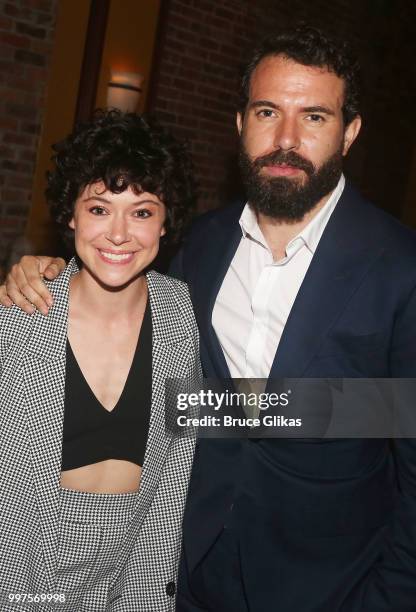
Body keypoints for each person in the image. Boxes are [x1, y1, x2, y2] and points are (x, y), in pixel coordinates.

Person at [2, 24, 416, 612]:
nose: (287, 138)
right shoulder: (201, 247)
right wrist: (43, 270)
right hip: (184, 571)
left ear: (349, 132)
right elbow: (198, 397)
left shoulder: (401, 268)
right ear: (241, 123)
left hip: (329, 586)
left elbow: (394, 434)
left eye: (315, 117)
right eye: (268, 111)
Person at [0, 110, 201, 611]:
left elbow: (173, 475)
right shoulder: (18, 315)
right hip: (19, 572)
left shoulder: (180, 317)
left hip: (129, 579)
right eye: (98, 208)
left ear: (165, 221)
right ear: (70, 214)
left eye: (141, 211)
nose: (118, 234)